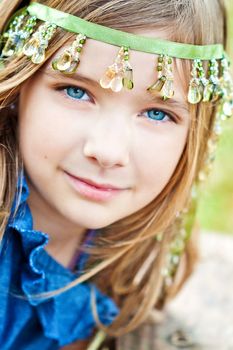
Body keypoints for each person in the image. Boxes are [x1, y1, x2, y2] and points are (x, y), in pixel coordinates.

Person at [0, 0, 232, 349]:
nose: (108, 151)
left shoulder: (139, 257)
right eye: (76, 91)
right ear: (18, 85)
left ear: (195, 136)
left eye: (157, 113)